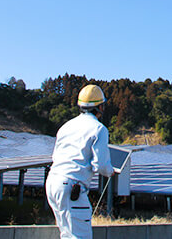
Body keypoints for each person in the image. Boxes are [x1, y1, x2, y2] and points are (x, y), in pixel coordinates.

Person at [46, 84, 115, 239]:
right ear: (100, 107)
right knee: (80, 236)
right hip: (71, 187)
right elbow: (101, 165)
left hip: (53, 182)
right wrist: (111, 171)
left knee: (67, 234)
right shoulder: (99, 129)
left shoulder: (66, 126)